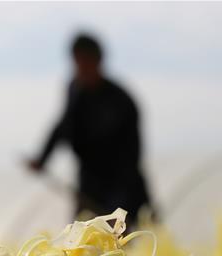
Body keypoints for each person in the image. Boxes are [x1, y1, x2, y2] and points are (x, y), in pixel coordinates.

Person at [27, 33, 153, 226]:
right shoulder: (76, 91)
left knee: (121, 233)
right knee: (80, 234)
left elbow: (131, 156)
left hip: (121, 182)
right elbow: (63, 125)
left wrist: (119, 205)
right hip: (89, 182)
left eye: (86, 62)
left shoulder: (120, 100)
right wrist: (42, 158)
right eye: (78, 62)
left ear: (98, 61)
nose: (81, 68)